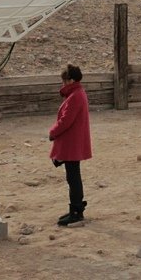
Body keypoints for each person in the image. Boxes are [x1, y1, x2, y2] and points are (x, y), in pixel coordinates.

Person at [48, 64, 92, 226]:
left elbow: (66, 120)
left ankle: (76, 212)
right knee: (73, 177)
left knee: (73, 178)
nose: (63, 84)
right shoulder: (78, 94)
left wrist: (53, 132)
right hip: (74, 142)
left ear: (71, 80)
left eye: (64, 80)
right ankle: (75, 209)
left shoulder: (75, 96)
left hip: (72, 143)